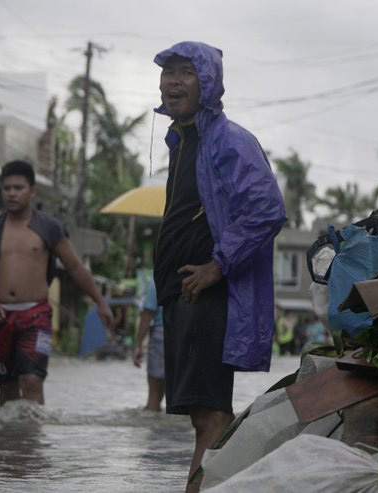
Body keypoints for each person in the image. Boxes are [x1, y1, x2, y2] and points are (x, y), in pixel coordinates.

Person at [152, 42, 287, 492]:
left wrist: (215, 266)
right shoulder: (185, 139)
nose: (173, 81)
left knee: (209, 414)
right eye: (168, 72)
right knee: (207, 413)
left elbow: (267, 209)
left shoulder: (228, 139)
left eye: (185, 72)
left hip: (207, 293)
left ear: (207, 83)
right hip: (185, 293)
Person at [0, 160, 114, 406]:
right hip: (0, 317)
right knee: (7, 386)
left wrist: (100, 302)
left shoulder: (48, 226)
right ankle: (5, 443)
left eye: (19, 187)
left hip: (36, 315)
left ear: (32, 190)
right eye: (7, 188)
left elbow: (75, 267)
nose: (12, 193)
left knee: (32, 380)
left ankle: (32, 442)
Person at [132, 276, 165, 412]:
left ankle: (154, 433)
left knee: (154, 398)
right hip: (187, 336)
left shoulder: (158, 278)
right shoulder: (192, 274)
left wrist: (138, 345)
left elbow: (147, 314)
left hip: (161, 336)